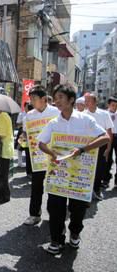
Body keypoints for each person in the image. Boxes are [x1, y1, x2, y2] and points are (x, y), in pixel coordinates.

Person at [38, 84, 109, 255]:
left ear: (71, 99)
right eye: (55, 98)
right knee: (55, 208)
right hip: (59, 174)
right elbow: (41, 143)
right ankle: (56, 240)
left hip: (80, 176)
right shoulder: (53, 123)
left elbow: (105, 137)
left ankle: (75, 233)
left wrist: (82, 149)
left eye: (61, 97)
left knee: (78, 209)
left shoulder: (85, 120)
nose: (57, 101)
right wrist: (52, 153)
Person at [23, 85, 59, 226]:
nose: (31, 102)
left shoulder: (56, 112)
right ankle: (34, 214)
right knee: (36, 186)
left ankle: (54, 214)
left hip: (54, 155)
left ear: (44, 99)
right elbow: (26, 133)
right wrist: (23, 136)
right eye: (30, 99)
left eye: (34, 99)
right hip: (37, 156)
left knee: (53, 186)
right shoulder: (30, 115)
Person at [84, 93, 113, 200]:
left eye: (88, 100)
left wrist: (108, 148)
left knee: (99, 169)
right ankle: (85, 192)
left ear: (95, 102)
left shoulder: (104, 114)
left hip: (101, 144)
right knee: (86, 168)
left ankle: (96, 190)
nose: (86, 102)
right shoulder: (82, 114)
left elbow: (109, 131)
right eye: (85, 100)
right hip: (87, 144)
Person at [104, 96, 117, 189]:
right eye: (113, 105)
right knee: (107, 159)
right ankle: (106, 180)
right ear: (108, 105)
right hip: (107, 137)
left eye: (116, 106)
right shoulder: (104, 114)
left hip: (116, 136)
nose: (114, 107)